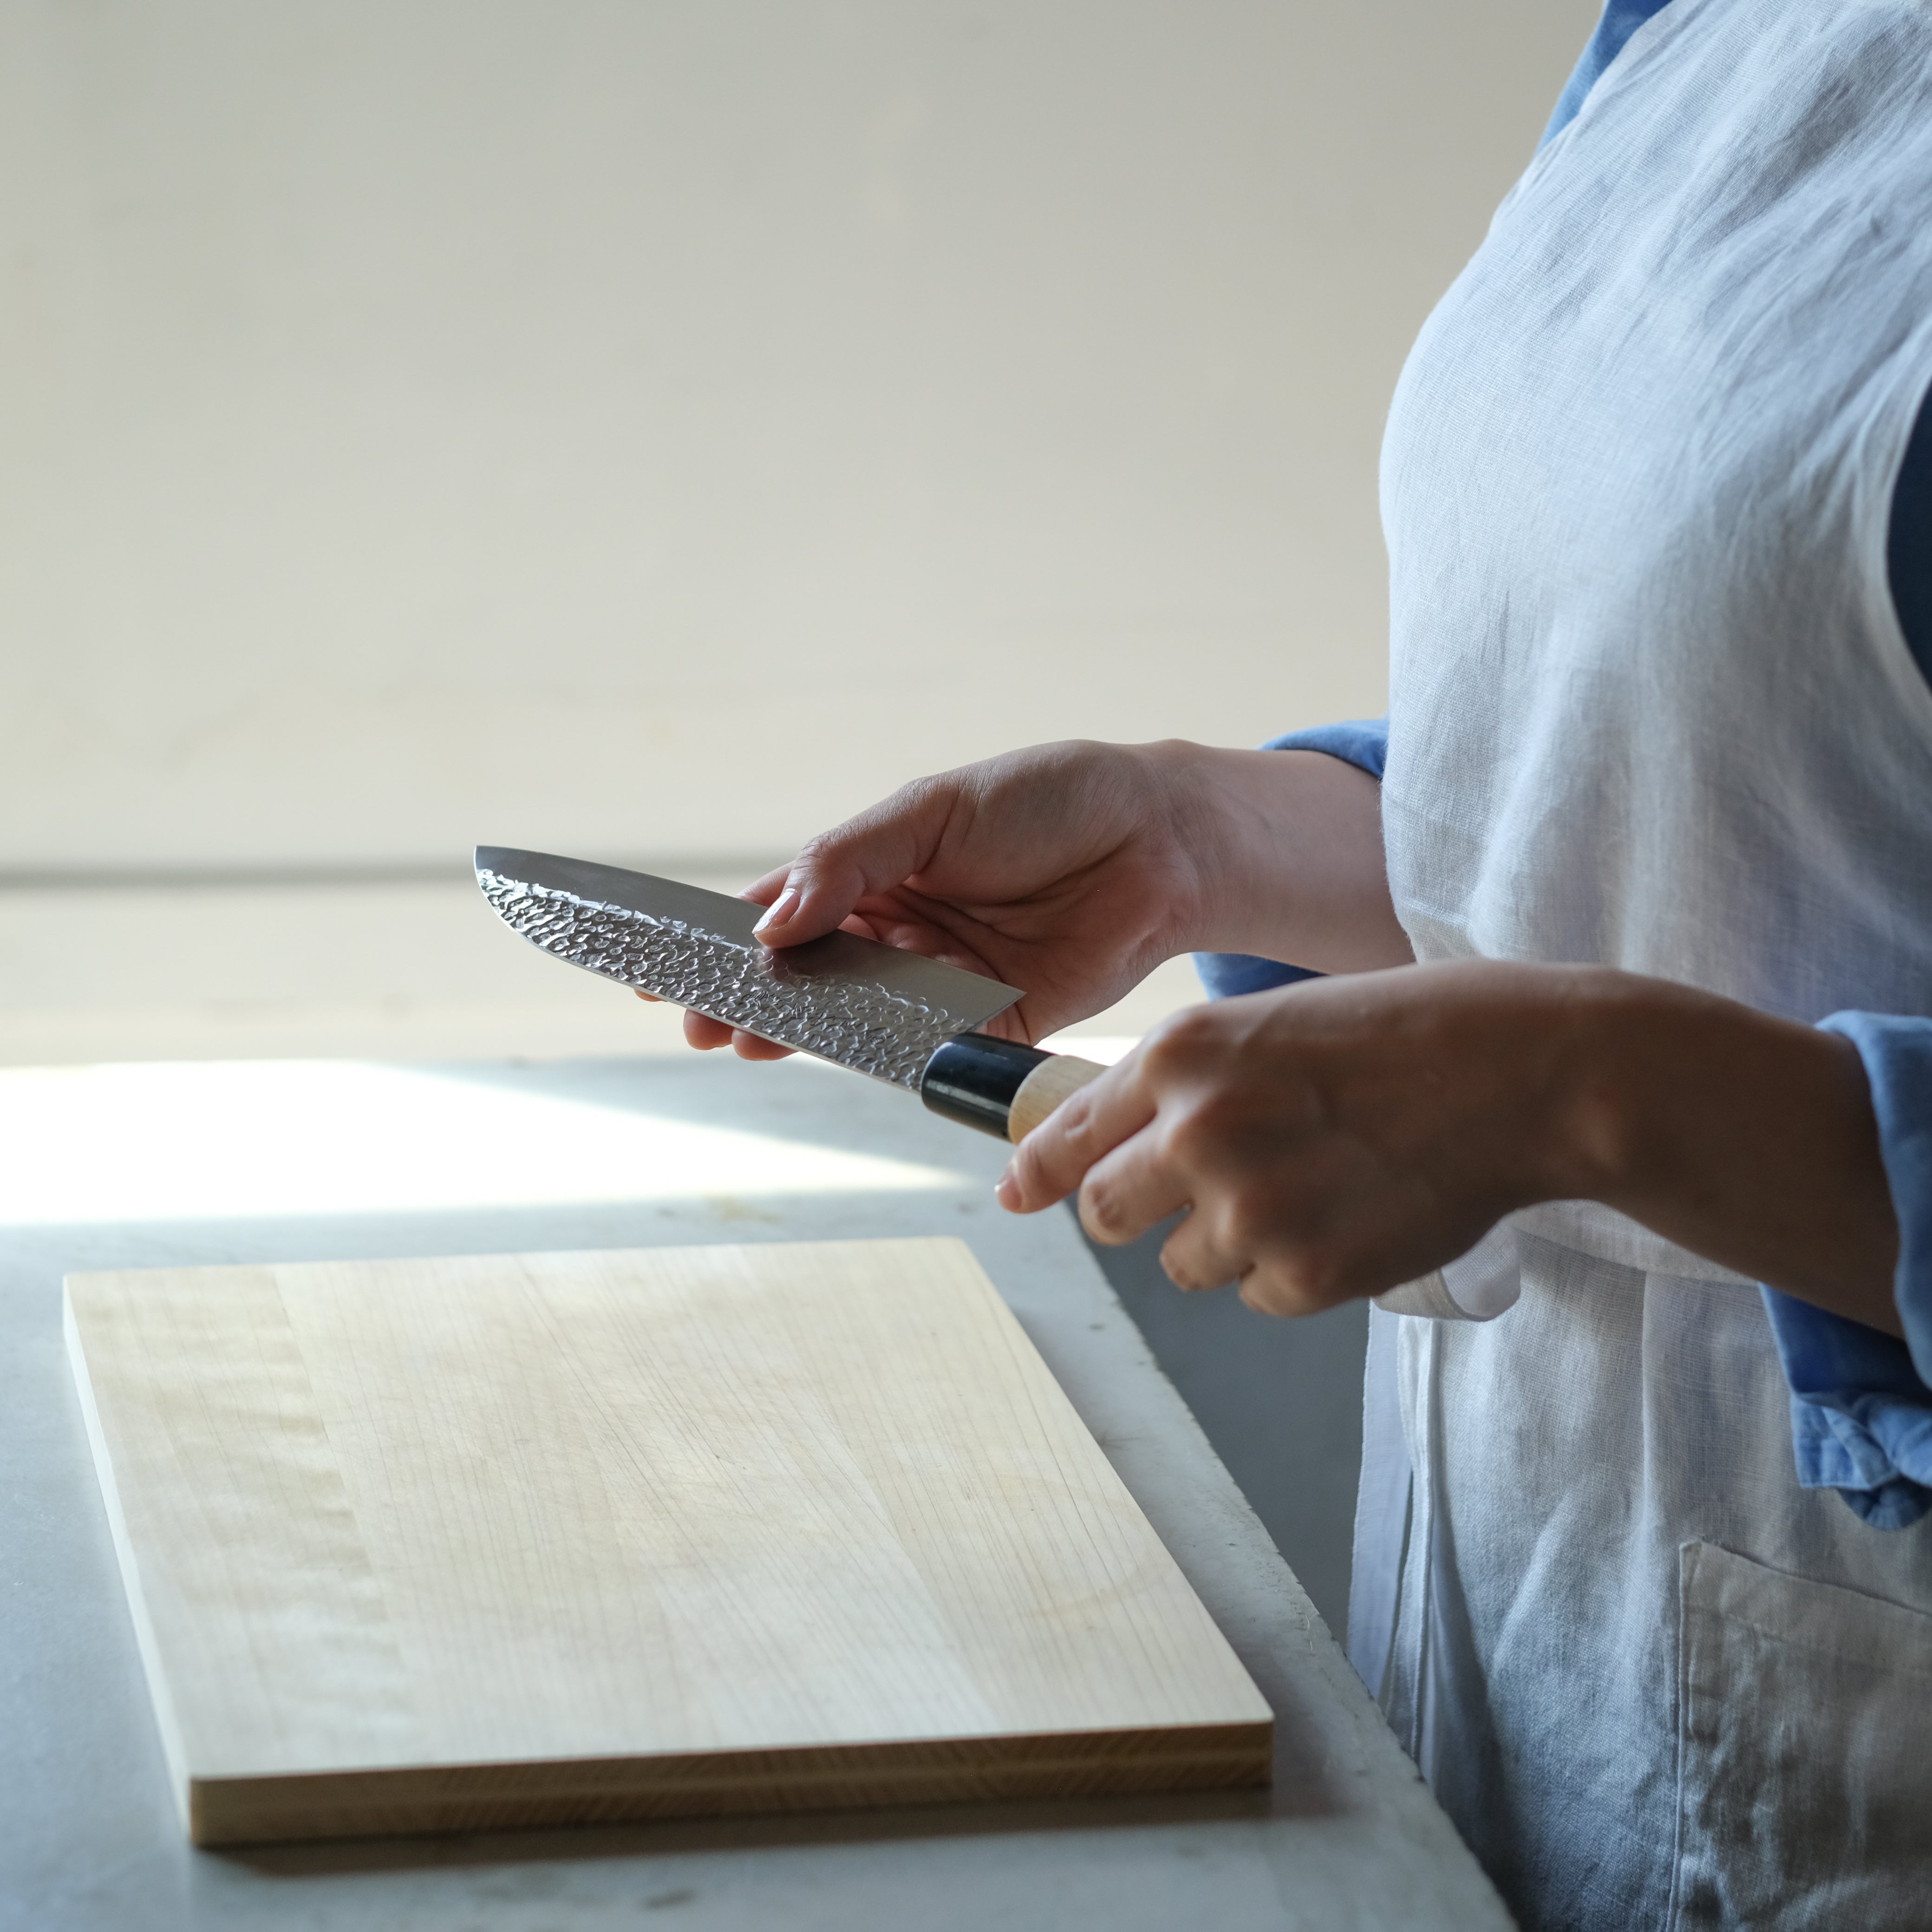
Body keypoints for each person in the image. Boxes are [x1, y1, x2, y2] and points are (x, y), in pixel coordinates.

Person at [665, 1, 1932, 1923]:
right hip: (1529, 1598)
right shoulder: (1694, 31)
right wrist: (1192, 835)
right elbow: (1650, 781)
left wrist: (1578, 1090)